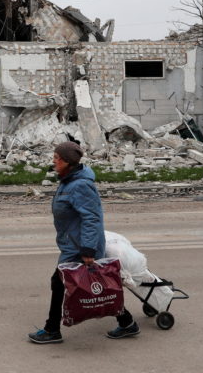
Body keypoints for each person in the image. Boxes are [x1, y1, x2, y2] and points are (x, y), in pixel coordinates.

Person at [28, 141, 139, 344]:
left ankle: (52, 330)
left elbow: (92, 218)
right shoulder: (69, 180)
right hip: (74, 244)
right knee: (100, 284)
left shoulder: (80, 185)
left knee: (60, 282)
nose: (53, 162)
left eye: (56, 159)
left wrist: (87, 250)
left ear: (67, 162)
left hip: (81, 247)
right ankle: (127, 322)